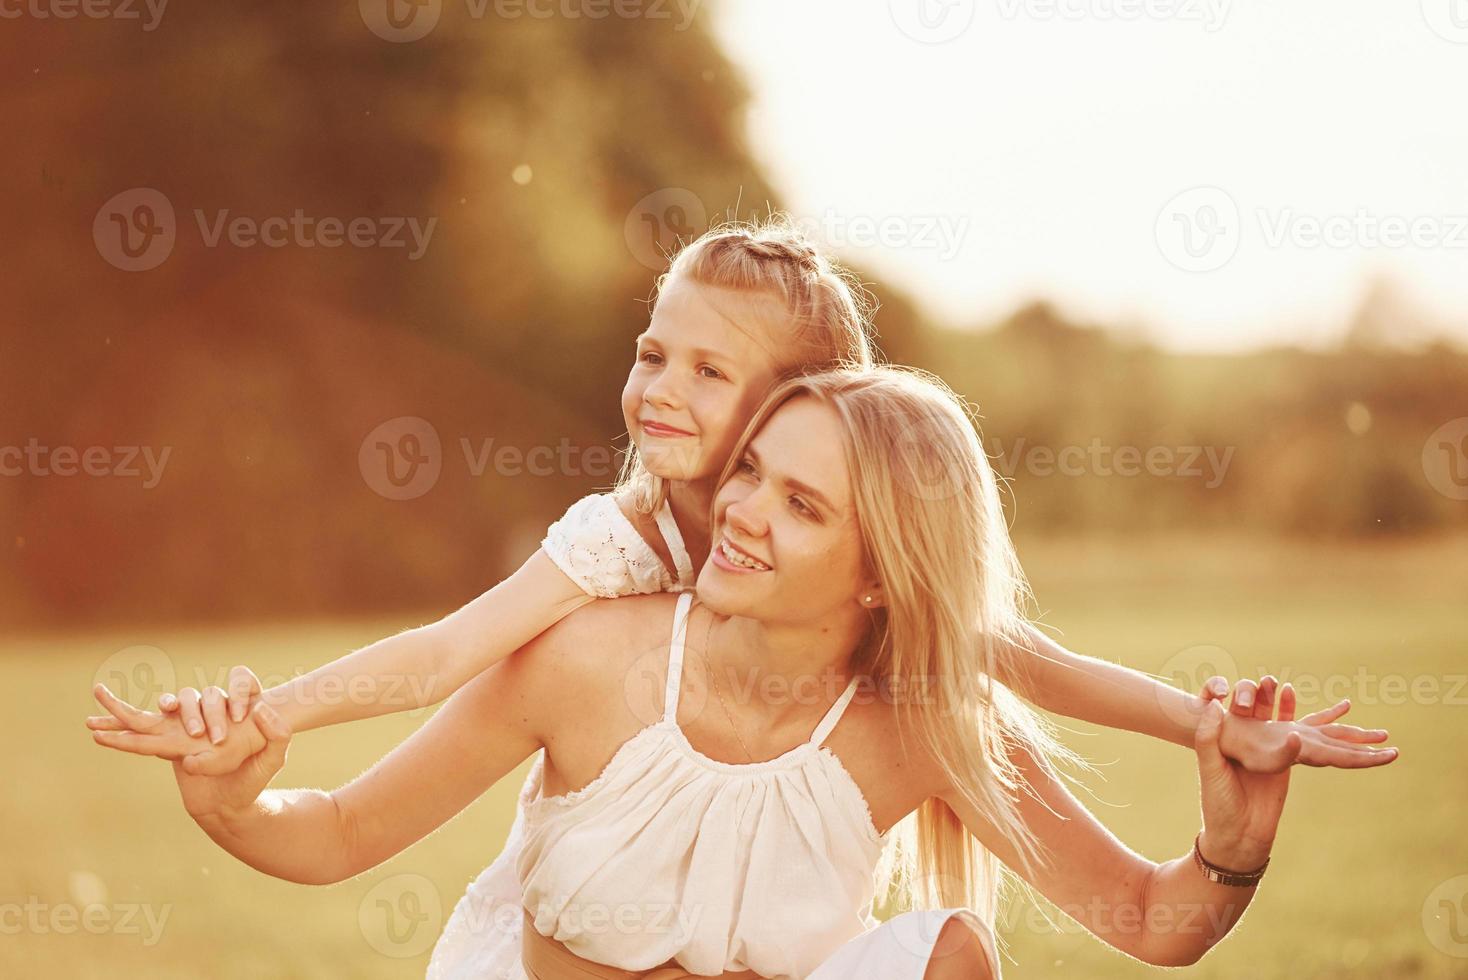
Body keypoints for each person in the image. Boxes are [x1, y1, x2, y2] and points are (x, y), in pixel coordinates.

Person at [91, 366, 1398, 978]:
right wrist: (226, 795)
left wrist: (1231, 847)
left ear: (886, 573)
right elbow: (329, 835)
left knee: (949, 957)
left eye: (805, 505)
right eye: (755, 472)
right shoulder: (588, 658)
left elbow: (1154, 925)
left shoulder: (920, 723)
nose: (746, 512)